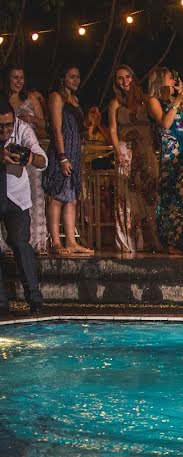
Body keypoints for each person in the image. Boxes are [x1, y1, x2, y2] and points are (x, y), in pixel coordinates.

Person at [147, 67, 183, 254]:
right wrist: (178, 102)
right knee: (172, 197)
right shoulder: (153, 101)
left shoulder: (174, 100)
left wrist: (182, 98)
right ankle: (172, 242)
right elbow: (165, 124)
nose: (173, 81)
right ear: (160, 81)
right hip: (171, 153)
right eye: (170, 78)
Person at [108, 64, 161, 253]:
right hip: (126, 152)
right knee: (127, 198)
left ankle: (151, 240)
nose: (124, 81)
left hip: (145, 152)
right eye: (120, 78)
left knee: (149, 196)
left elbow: (160, 120)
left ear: (133, 77)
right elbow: (113, 130)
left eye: (127, 77)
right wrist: (117, 151)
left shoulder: (145, 100)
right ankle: (130, 242)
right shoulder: (115, 103)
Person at [1, 97, 46, 313]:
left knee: (21, 242)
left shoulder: (22, 128)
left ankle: (35, 298)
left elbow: (42, 160)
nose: (5, 130)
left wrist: (29, 158)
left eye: (9, 125)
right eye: (1, 126)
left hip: (16, 196)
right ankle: (1, 302)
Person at [43, 65, 93, 255]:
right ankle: (56, 241)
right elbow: (57, 129)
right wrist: (62, 157)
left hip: (74, 151)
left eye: (78, 77)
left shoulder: (75, 100)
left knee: (71, 198)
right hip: (61, 152)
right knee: (57, 196)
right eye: (71, 77)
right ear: (62, 78)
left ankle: (71, 241)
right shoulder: (56, 97)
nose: (76, 80)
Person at [1, 66, 48, 255]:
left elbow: (45, 125)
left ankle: (35, 241)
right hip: (7, 155)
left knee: (31, 198)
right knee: (8, 197)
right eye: (15, 78)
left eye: (21, 77)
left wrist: (32, 119)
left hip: (28, 150)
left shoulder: (30, 98)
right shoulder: (2, 100)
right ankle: (7, 242)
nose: (18, 81)